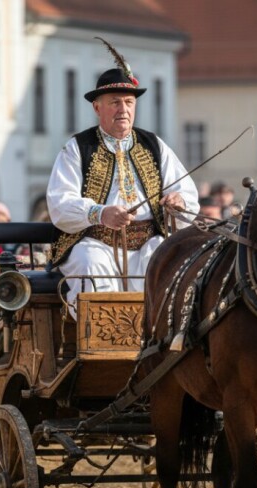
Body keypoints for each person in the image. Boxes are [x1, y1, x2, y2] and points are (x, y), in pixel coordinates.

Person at [46, 41, 198, 311]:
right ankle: (104, 343)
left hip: (148, 242)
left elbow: (188, 194)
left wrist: (179, 203)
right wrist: (100, 213)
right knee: (90, 264)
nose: (123, 109)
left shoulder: (154, 145)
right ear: (97, 108)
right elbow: (60, 203)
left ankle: (164, 341)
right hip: (95, 242)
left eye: (129, 102)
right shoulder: (77, 148)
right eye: (115, 102)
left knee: (168, 259)